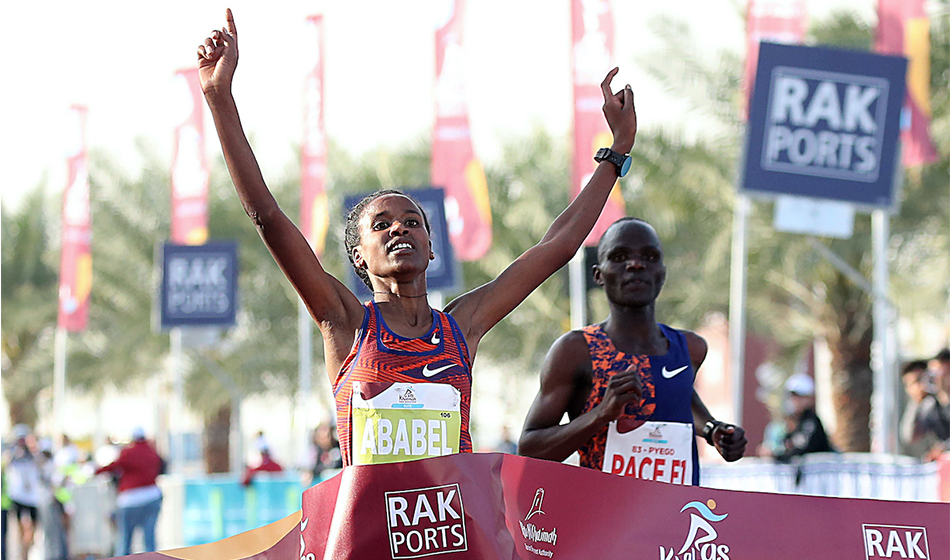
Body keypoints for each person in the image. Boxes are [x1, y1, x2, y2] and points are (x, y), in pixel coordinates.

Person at [197, 10, 638, 467]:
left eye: (412, 222)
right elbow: (268, 216)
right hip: (371, 516)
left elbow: (557, 247)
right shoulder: (345, 322)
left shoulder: (461, 327)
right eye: (381, 225)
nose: (399, 229)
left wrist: (617, 150)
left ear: (431, 247)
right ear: (359, 258)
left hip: (455, 514)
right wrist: (218, 97)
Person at [518, 218, 747, 485]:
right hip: (603, 509)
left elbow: (678, 397)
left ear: (662, 272)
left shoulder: (690, 348)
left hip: (676, 509)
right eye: (619, 257)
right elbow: (529, 450)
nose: (636, 264)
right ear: (598, 275)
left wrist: (713, 430)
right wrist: (601, 414)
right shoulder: (577, 350)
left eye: (650, 256)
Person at [95, 427, 164, 555]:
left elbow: (113, 466)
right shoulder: (152, 452)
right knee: (149, 540)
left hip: (130, 499)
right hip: (152, 496)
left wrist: (96, 471)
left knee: (125, 540)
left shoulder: (128, 452)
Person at [773, 373, 834, 462]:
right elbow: (785, 444)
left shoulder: (811, 422)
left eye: (799, 397)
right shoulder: (793, 422)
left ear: (809, 398)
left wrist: (777, 457)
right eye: (793, 397)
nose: (795, 401)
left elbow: (802, 449)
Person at [900, 359, 950, 461]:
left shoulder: (942, 399)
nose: (922, 385)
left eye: (923, 379)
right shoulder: (926, 408)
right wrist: (916, 402)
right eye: (915, 382)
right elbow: (909, 437)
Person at [6, 425, 42, 560]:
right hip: (18, 496)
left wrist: (33, 448)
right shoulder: (12, 453)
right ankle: (23, 554)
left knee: (33, 528)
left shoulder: (34, 453)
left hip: (33, 497)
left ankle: (26, 549)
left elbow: (42, 465)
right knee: (22, 526)